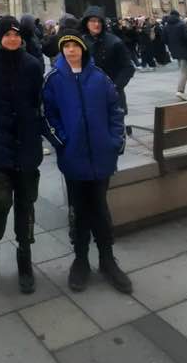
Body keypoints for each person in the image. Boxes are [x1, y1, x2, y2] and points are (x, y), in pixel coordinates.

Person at [43, 28, 131, 294]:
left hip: (102, 155)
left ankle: (107, 259)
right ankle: (80, 260)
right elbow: (47, 115)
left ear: (83, 48)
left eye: (75, 45)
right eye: (66, 46)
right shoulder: (54, 80)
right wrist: (63, 141)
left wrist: (115, 141)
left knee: (101, 209)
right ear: (61, 50)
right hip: (74, 157)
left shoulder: (100, 77)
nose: (71, 50)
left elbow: (115, 110)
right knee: (79, 211)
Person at [0, 15, 43, 293]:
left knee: (26, 205)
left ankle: (25, 258)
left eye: (16, 35)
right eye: (7, 34)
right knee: (0, 204)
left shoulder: (33, 65)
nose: (12, 39)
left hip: (27, 146)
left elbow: (39, 100)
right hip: (1, 146)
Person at [81, 6, 135, 135]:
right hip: (89, 93)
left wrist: (115, 86)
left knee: (115, 131)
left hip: (112, 93)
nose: (96, 24)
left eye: (99, 21)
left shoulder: (114, 42)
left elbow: (128, 67)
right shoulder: (81, 42)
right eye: (93, 21)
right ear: (86, 23)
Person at [163, 9, 187, 100]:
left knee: (185, 70)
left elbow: (164, 40)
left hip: (175, 51)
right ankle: (180, 91)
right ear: (178, 16)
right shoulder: (182, 24)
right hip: (185, 50)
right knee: (184, 71)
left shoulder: (166, 26)